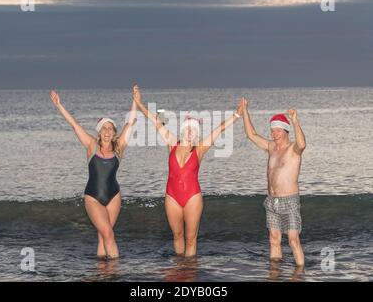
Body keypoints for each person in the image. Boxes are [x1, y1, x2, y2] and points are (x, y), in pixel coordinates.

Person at [133, 85, 244, 257]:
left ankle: (190, 273)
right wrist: (139, 103)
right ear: (183, 129)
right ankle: (179, 270)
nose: (191, 131)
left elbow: (219, 129)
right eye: (188, 128)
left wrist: (237, 114)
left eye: (195, 129)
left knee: (191, 238)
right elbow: (155, 121)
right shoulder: (172, 143)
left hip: (192, 197)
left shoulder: (199, 150)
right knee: (177, 235)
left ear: (197, 133)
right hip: (172, 196)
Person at [50, 88, 137, 259]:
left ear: (113, 133)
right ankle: (114, 273)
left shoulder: (119, 147)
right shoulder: (91, 145)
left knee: (103, 236)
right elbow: (74, 125)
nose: (107, 131)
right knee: (108, 234)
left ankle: (103, 272)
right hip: (93, 197)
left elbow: (131, 123)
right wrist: (59, 106)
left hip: (114, 196)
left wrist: (135, 100)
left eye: (110, 128)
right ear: (99, 131)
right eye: (104, 128)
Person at [241, 98, 306, 266]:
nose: (274, 134)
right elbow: (251, 135)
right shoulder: (271, 147)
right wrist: (245, 110)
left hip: (289, 200)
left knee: (293, 240)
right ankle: (275, 273)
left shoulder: (293, 149)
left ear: (285, 131)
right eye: (272, 131)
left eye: (278, 130)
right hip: (271, 201)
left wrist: (295, 121)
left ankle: (300, 274)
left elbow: (302, 143)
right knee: (273, 239)